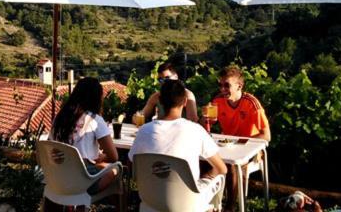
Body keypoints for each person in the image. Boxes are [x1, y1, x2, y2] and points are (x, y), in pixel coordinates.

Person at [129, 79, 228, 207]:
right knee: (219, 177)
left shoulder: (144, 130)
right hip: (187, 202)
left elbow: (133, 163)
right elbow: (222, 168)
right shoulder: (195, 130)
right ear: (185, 102)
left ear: (160, 101)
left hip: (151, 200)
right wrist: (207, 177)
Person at [210, 66, 271, 212]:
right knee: (204, 160)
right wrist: (205, 119)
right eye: (220, 85)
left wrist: (240, 142)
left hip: (250, 149)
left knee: (232, 166)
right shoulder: (217, 101)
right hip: (227, 147)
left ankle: (230, 206)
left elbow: (266, 136)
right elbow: (206, 126)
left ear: (239, 86)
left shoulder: (251, 103)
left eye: (227, 85)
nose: (222, 89)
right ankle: (210, 204)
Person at [49, 77, 119, 195]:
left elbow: (50, 147)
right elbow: (113, 156)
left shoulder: (59, 118)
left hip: (57, 178)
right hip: (81, 183)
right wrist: (101, 158)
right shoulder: (95, 120)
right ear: (97, 98)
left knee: (96, 166)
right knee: (116, 169)